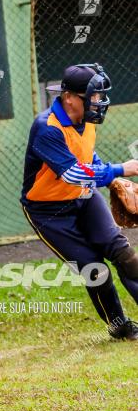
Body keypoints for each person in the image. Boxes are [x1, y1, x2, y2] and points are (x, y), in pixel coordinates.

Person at [21, 63, 138, 340]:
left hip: (84, 197)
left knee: (123, 253)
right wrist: (122, 168)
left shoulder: (86, 121)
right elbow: (72, 173)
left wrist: (110, 180)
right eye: (93, 97)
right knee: (95, 268)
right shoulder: (47, 127)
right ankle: (119, 326)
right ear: (70, 98)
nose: (99, 102)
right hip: (48, 212)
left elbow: (86, 157)